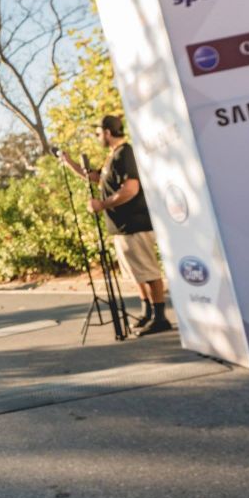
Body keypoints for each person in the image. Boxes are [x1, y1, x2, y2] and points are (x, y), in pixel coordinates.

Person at [58, 115, 172, 337]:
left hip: (135, 224)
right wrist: (69, 162)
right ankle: (147, 312)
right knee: (136, 274)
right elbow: (94, 177)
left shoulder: (125, 153)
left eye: (99, 133)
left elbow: (131, 189)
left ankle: (160, 317)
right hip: (120, 228)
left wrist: (102, 204)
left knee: (148, 271)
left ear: (108, 132)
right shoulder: (112, 157)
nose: (97, 136)